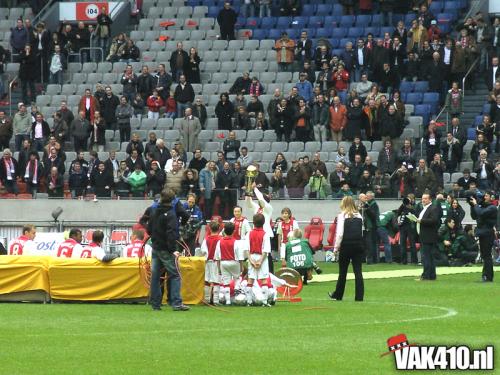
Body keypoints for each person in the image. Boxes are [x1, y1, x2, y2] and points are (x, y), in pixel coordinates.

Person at [148, 188, 190, 311]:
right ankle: (176, 302)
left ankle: (155, 303)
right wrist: (173, 249)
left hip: (155, 247)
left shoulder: (154, 211)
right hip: (166, 249)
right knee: (175, 274)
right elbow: (171, 233)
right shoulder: (171, 214)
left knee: (155, 276)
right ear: (173, 200)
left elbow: (149, 229)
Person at [329, 196, 364, 301]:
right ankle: (359, 296)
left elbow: (339, 234)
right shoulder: (359, 216)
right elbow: (361, 232)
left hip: (346, 245)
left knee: (343, 272)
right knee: (358, 271)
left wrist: (335, 249)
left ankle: (338, 294)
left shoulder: (342, 216)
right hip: (358, 245)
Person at [469, 191, 497, 282]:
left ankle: (488, 276)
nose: (485, 197)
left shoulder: (492, 208)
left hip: (488, 234)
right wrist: (472, 206)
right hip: (483, 233)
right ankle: (486, 276)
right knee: (485, 255)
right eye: (485, 196)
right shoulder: (483, 207)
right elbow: (474, 216)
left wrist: (476, 204)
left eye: (487, 196)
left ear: (491, 197)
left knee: (487, 255)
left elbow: (481, 213)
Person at [215, 222, 245, 305]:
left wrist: (218, 268)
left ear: (224, 230)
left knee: (226, 282)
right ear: (234, 231)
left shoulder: (219, 242)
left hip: (223, 263)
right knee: (237, 278)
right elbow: (240, 257)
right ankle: (237, 289)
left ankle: (228, 301)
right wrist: (241, 267)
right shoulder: (236, 242)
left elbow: (217, 257)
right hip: (234, 262)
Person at [245, 213, 272, 306]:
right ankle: (264, 301)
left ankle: (249, 302)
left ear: (253, 222)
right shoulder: (265, 234)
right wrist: (260, 261)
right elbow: (266, 250)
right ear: (264, 223)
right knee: (264, 279)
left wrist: (251, 260)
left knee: (250, 279)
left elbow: (247, 248)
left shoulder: (249, 233)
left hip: (252, 256)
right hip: (262, 258)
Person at [416, 193, 441, 281]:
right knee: (429, 257)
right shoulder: (425, 208)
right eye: (422, 198)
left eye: (425, 199)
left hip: (428, 236)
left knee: (426, 257)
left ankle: (426, 275)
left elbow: (434, 220)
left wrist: (421, 220)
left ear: (430, 199)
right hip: (425, 235)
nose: (423, 200)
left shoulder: (433, 208)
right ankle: (431, 275)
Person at [201, 220, 223, 305]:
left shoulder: (206, 239)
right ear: (219, 229)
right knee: (216, 280)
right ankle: (216, 300)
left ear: (209, 229)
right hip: (217, 262)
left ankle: (206, 300)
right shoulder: (221, 239)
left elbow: (203, 251)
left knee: (207, 280)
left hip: (208, 261)